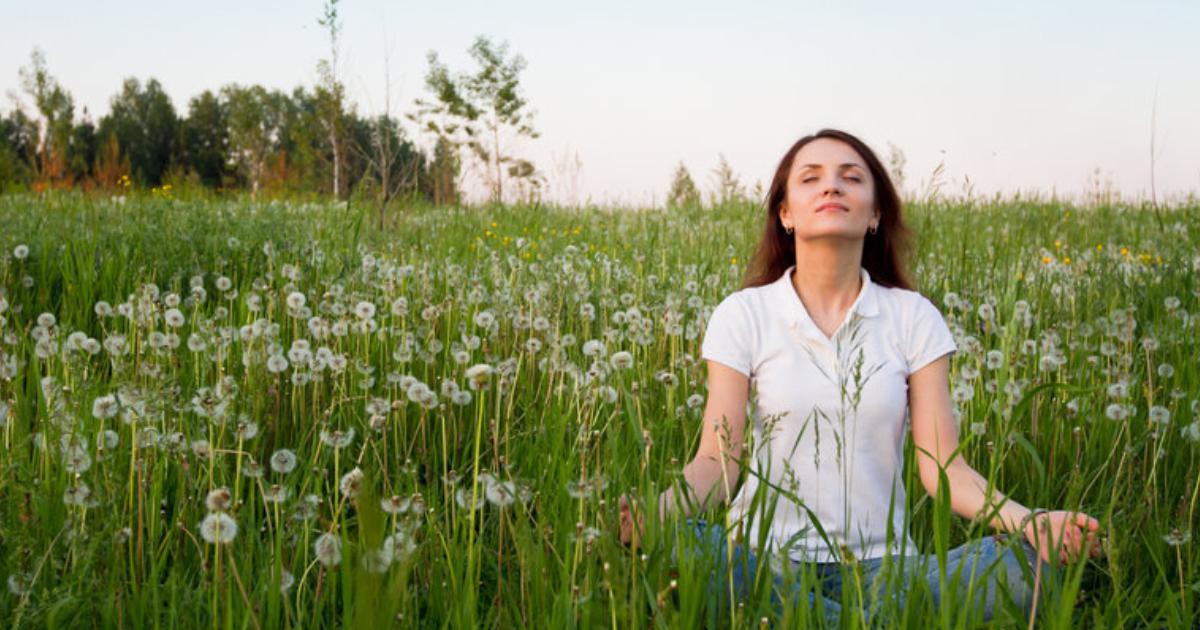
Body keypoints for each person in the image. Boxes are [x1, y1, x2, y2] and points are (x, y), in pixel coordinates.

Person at [618, 129, 1101, 624]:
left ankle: (813, 620)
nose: (832, 188)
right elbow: (717, 463)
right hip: (763, 561)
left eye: (851, 178)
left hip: (887, 569)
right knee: (684, 548)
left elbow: (944, 471)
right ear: (785, 214)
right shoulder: (744, 314)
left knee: (1024, 564)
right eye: (811, 178)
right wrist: (658, 513)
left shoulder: (912, 316)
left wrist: (1031, 522)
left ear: (874, 215)